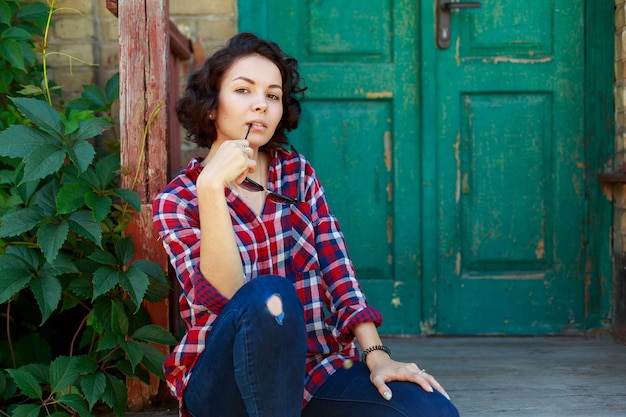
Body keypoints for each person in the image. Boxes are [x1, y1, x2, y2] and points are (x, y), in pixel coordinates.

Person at [152, 32, 459, 417]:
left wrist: (378, 356)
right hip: (223, 384)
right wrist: (212, 188)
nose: (261, 105)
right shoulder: (178, 200)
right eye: (244, 90)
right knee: (270, 296)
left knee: (433, 412)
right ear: (212, 107)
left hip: (313, 372)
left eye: (273, 95)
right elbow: (224, 296)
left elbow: (338, 273)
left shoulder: (297, 175)